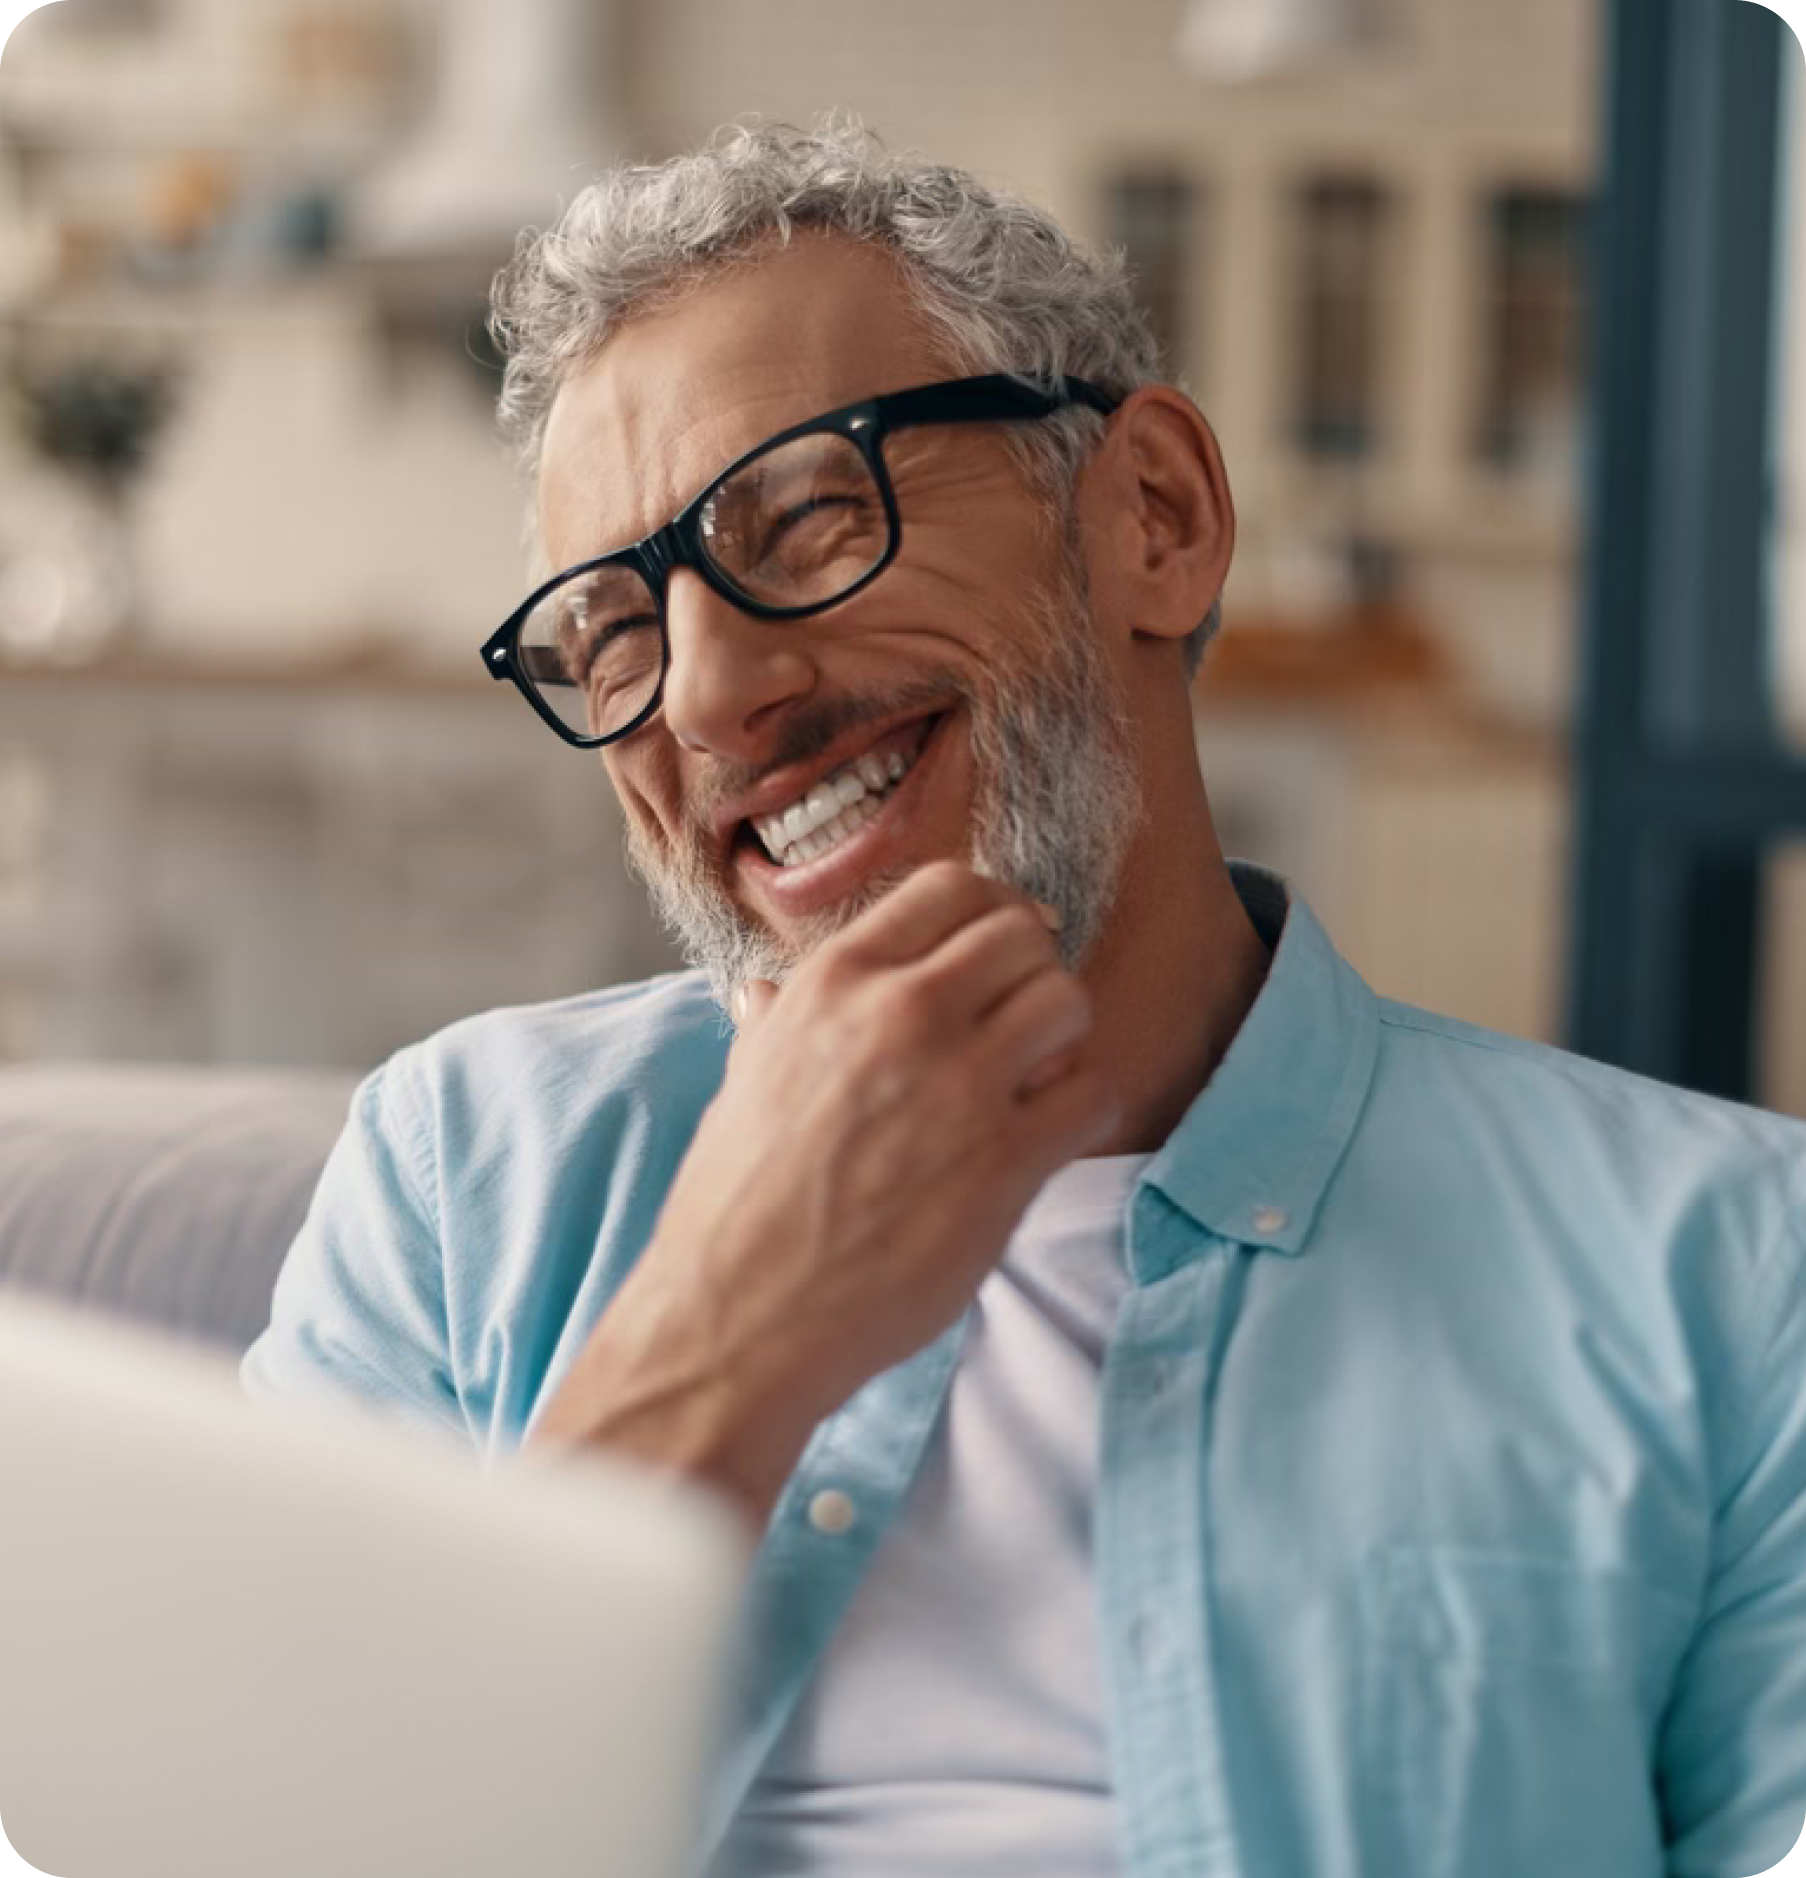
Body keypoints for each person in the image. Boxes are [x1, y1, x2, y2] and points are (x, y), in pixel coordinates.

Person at [243, 119, 1806, 1877]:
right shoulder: (462, 1180)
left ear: (1154, 517)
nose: (706, 695)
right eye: (611, 632)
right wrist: (724, 1334)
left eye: (809, 514)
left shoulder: (1737, 1275)